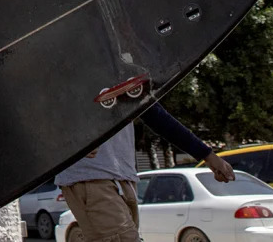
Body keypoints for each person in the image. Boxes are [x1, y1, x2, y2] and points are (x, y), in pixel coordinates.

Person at [55, 103, 235, 242]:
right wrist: (73, 137)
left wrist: (207, 155)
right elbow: (48, 97)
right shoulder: (75, 60)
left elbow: (153, 112)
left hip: (123, 176)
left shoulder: (120, 62)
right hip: (90, 176)